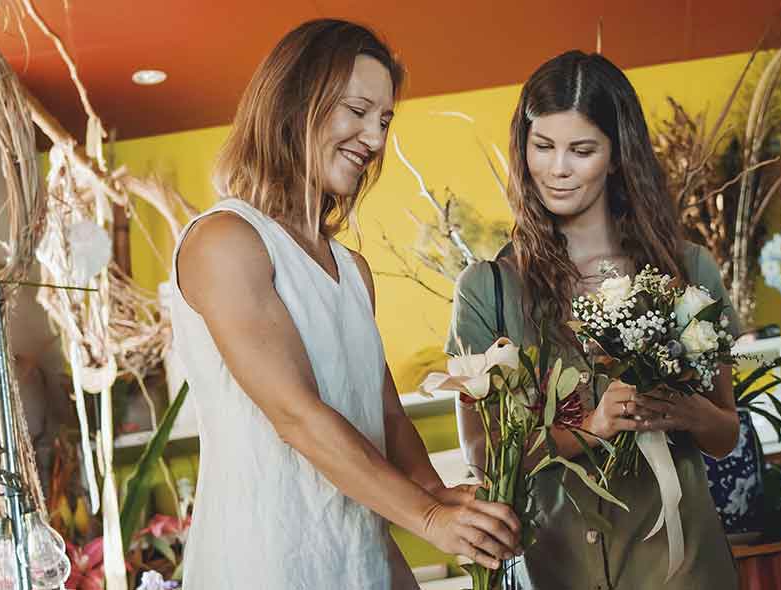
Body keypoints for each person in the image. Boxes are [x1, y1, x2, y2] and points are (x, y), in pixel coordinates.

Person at [164, 19, 518, 589]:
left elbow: (387, 416)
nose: (375, 139)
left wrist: (442, 495)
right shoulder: (224, 241)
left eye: (383, 120)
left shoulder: (351, 271)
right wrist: (429, 519)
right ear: (294, 101)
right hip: (266, 564)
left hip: (360, 561)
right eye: (357, 112)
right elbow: (297, 416)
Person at [447, 50, 741, 590]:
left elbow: (726, 432)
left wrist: (684, 410)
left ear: (616, 156)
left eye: (581, 150)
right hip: (560, 570)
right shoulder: (486, 291)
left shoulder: (689, 269)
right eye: (543, 147)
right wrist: (591, 427)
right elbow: (484, 455)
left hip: (683, 569)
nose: (557, 169)